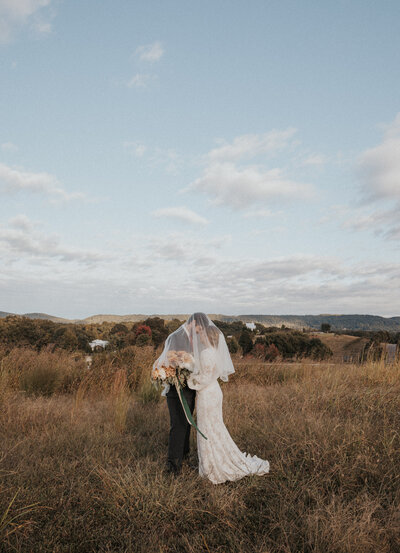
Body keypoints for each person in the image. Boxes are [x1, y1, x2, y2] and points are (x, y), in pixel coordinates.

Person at [186, 313, 270, 484]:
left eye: (202, 334)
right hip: (214, 392)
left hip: (207, 394)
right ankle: (214, 461)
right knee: (215, 426)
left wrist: (189, 380)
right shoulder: (214, 352)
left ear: (208, 336)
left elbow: (204, 378)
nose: (199, 336)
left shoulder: (205, 354)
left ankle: (211, 469)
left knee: (207, 428)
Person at [152, 314, 199, 475]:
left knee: (187, 424)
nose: (199, 332)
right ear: (192, 323)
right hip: (176, 389)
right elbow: (169, 359)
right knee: (178, 425)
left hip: (189, 388)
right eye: (198, 328)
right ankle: (172, 467)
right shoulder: (176, 337)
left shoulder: (193, 338)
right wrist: (180, 365)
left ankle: (184, 458)